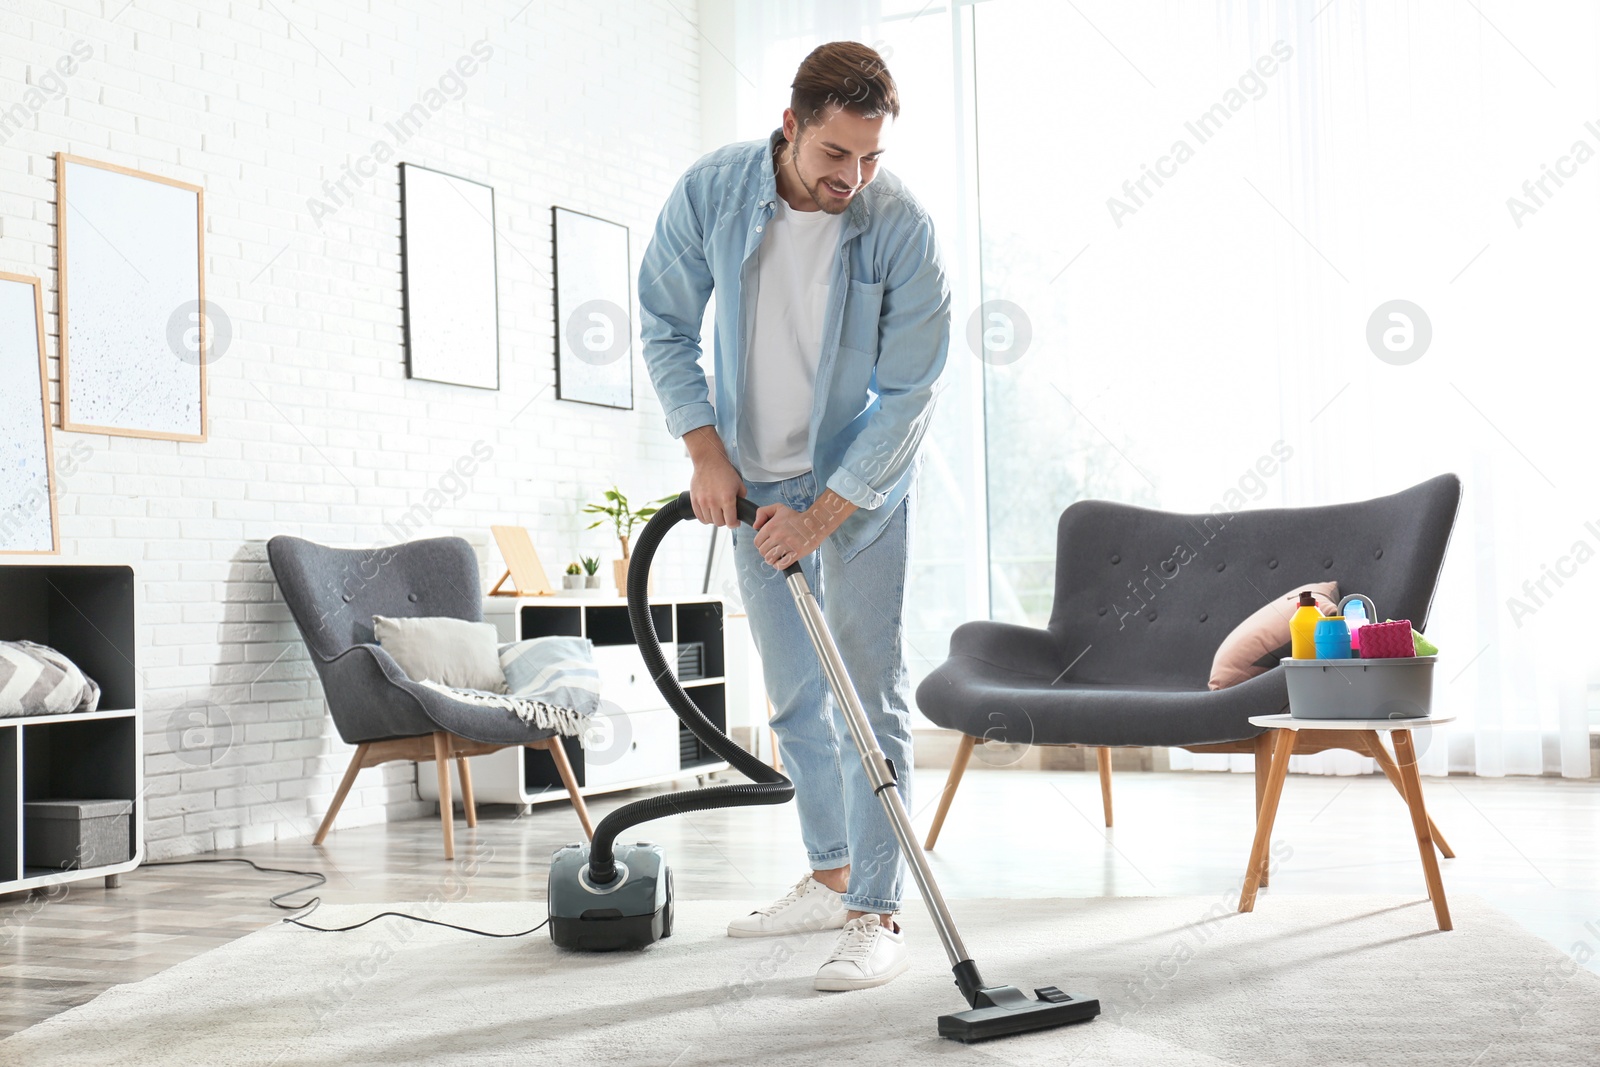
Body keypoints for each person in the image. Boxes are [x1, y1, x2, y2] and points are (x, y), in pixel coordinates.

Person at [638, 40, 949, 991]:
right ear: (791, 127)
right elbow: (662, 320)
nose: (851, 178)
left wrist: (822, 514)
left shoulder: (900, 227)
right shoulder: (713, 194)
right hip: (751, 485)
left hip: (857, 489)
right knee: (793, 699)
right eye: (833, 158)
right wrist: (705, 452)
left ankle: (876, 909)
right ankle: (828, 873)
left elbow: (911, 388)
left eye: (869, 159)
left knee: (868, 697)